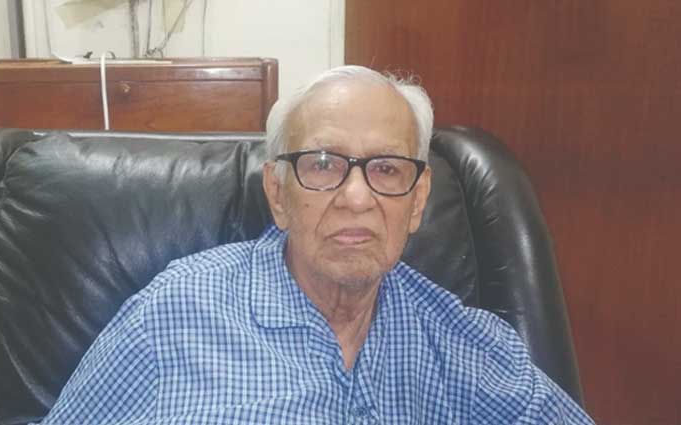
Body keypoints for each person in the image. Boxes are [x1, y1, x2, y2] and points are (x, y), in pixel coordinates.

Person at [36, 66, 593, 424]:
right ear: (278, 193)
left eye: (387, 168)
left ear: (417, 200)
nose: (357, 198)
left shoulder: (466, 345)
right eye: (323, 164)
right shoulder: (174, 312)